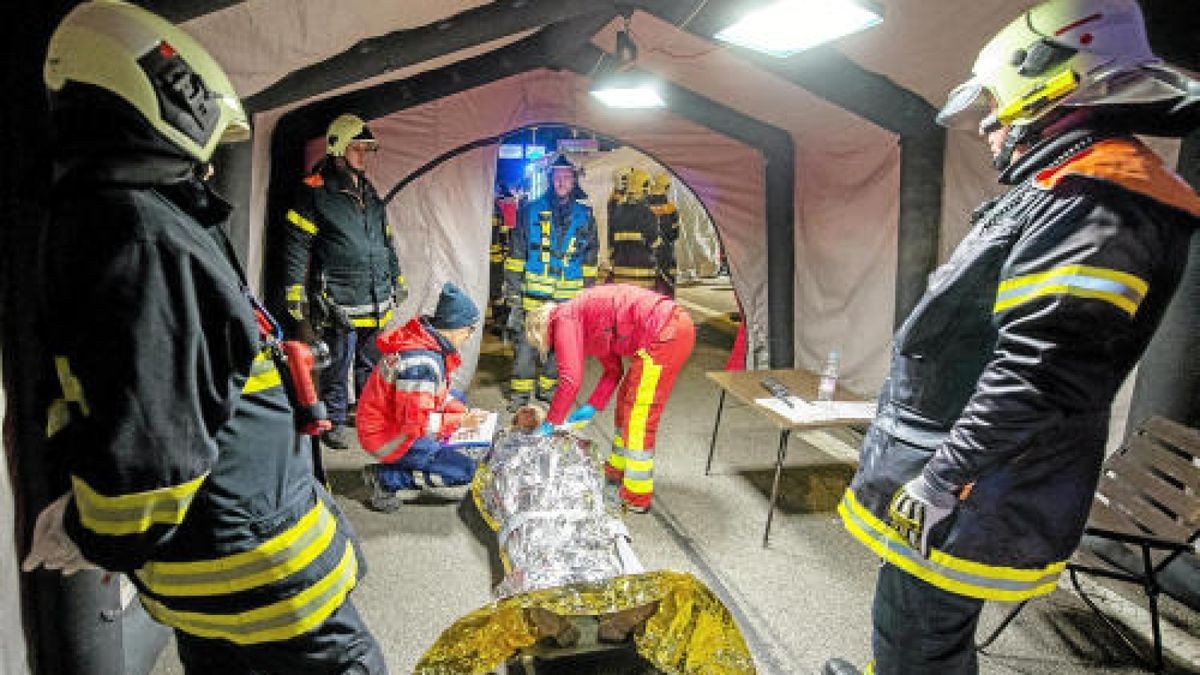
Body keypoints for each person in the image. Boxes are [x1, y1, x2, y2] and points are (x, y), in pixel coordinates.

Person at [823, 1, 1200, 673]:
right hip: (980, 474)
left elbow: (1038, 370)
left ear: (1045, 87)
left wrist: (940, 479)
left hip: (979, 483)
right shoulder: (1073, 185)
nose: (990, 127)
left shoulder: (1096, 197)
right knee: (913, 622)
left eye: (995, 105)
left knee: (920, 636)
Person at [24, 2, 386, 672]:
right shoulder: (140, 235)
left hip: (231, 558)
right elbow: (153, 450)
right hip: (261, 569)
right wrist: (92, 531)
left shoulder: (134, 213)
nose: (215, 167)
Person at [282, 112, 406, 450]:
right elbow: (296, 244)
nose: (362, 156)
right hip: (339, 299)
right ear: (338, 148)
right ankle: (334, 421)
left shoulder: (369, 191)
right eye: (357, 149)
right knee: (338, 365)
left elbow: (386, 240)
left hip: (375, 296)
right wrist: (294, 290)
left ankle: (366, 415)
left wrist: (396, 277)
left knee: (370, 365)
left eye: (366, 150)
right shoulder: (316, 192)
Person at [525, 284, 696, 513]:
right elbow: (613, 371)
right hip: (667, 329)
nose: (557, 349)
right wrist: (592, 406)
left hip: (665, 333)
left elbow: (569, 380)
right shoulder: (586, 319)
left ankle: (636, 495)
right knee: (626, 401)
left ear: (544, 330)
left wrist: (551, 423)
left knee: (639, 414)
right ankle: (617, 467)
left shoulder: (564, 318)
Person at [357, 283, 488, 512]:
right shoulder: (422, 364)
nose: (468, 337)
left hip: (384, 421)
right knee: (463, 471)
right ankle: (386, 479)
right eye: (470, 330)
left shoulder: (424, 342)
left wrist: (461, 413)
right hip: (389, 438)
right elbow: (415, 425)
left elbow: (438, 395)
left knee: (457, 398)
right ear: (456, 327)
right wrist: (459, 423)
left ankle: (430, 453)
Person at [503, 154, 599, 409]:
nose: (561, 181)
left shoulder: (586, 215)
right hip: (534, 294)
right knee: (526, 345)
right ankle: (519, 396)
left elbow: (590, 259)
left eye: (566, 176)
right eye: (557, 176)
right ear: (550, 179)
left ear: (574, 180)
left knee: (560, 345)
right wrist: (512, 295)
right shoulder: (529, 210)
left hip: (569, 297)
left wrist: (588, 296)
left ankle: (547, 389)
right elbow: (516, 254)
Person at [606, 168, 660, 290]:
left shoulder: (617, 211)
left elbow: (611, 242)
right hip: (643, 275)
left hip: (620, 273)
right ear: (644, 188)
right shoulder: (648, 213)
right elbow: (654, 242)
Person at [647, 172, 681, 297]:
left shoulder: (644, 206)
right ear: (667, 187)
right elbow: (674, 234)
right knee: (667, 288)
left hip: (647, 254)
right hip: (666, 253)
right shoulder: (670, 208)